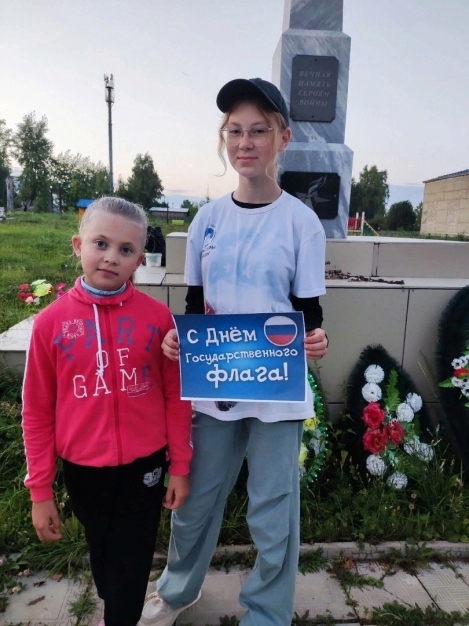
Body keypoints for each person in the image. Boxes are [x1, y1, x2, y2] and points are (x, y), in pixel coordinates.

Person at [139, 78, 328, 626]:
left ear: (282, 139)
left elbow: (309, 315)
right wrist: (178, 339)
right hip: (215, 385)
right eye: (235, 131)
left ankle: (267, 611)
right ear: (225, 139)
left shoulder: (301, 223)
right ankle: (177, 591)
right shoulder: (206, 221)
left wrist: (315, 340)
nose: (245, 142)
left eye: (259, 131)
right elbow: (195, 308)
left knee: (273, 509)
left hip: (275, 391)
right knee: (195, 501)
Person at [22, 197, 193, 626]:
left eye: (126, 249)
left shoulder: (159, 320)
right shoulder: (51, 324)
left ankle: (120, 616)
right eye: (101, 243)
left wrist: (179, 466)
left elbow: (177, 397)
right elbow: (37, 412)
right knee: (102, 550)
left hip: (145, 466)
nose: (111, 257)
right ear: (77, 245)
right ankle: (115, 603)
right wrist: (40, 490)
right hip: (84, 470)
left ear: (140, 259)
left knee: (133, 557)